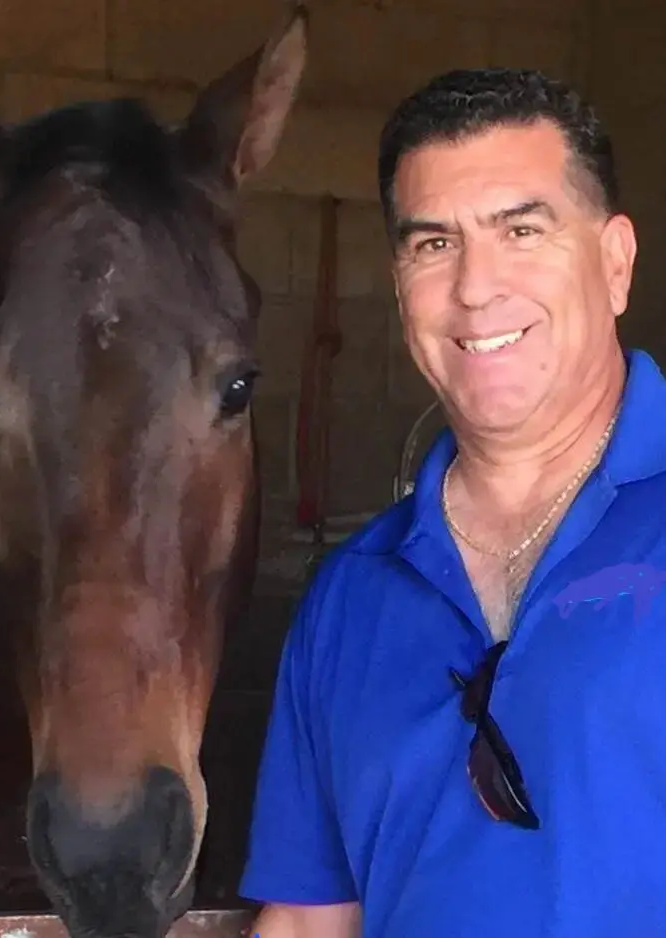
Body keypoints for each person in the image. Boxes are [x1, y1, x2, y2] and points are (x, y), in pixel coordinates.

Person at [237, 64, 666, 938]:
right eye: (433, 244)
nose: (474, 287)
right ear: (400, 288)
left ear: (615, 261)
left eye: (521, 230)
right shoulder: (347, 600)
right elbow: (309, 921)